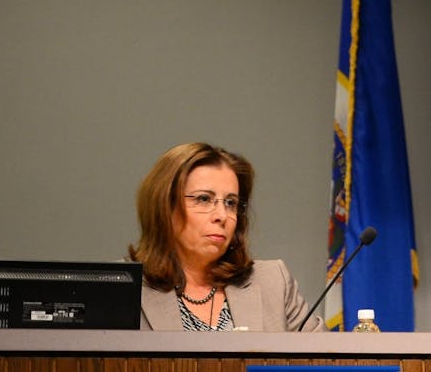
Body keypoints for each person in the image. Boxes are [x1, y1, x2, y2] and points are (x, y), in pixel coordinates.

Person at [130, 142, 323, 331]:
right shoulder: (121, 289)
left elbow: (324, 359)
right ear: (165, 206)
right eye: (204, 199)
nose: (222, 216)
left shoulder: (273, 283)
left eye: (231, 203)